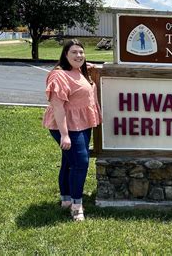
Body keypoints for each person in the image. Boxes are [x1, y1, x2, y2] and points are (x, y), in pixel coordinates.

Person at [42, 39, 102, 221]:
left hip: (83, 124)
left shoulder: (81, 71)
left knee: (69, 162)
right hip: (67, 125)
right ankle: (77, 206)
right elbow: (58, 107)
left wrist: (88, 67)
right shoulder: (59, 76)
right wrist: (65, 134)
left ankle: (66, 199)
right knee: (81, 163)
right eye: (74, 53)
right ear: (65, 55)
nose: (78, 56)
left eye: (81, 52)